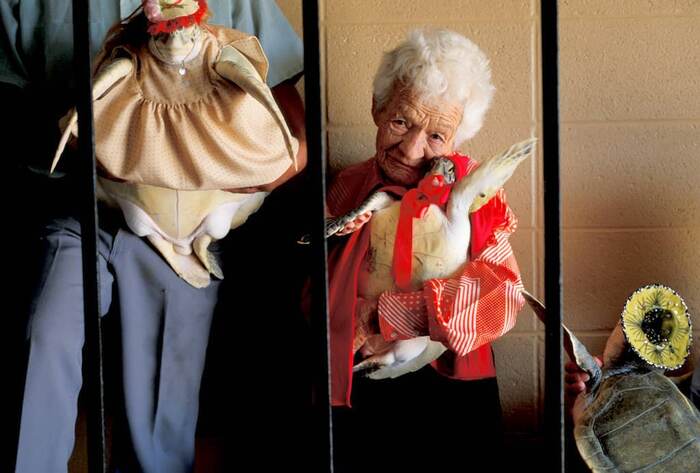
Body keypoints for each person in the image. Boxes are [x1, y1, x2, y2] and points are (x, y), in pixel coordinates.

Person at [1, 1, 305, 472]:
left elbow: (290, 121)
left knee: (163, 394)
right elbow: (8, 108)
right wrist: (92, 140)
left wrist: (250, 178)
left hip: (187, 221)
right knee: (46, 333)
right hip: (78, 204)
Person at [324, 29, 525, 472]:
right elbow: (312, 284)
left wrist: (384, 316)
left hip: (448, 396)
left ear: (457, 139)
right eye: (401, 122)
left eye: (436, 135)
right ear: (378, 109)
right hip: (358, 388)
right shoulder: (348, 186)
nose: (412, 149)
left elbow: (501, 296)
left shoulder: (475, 192)